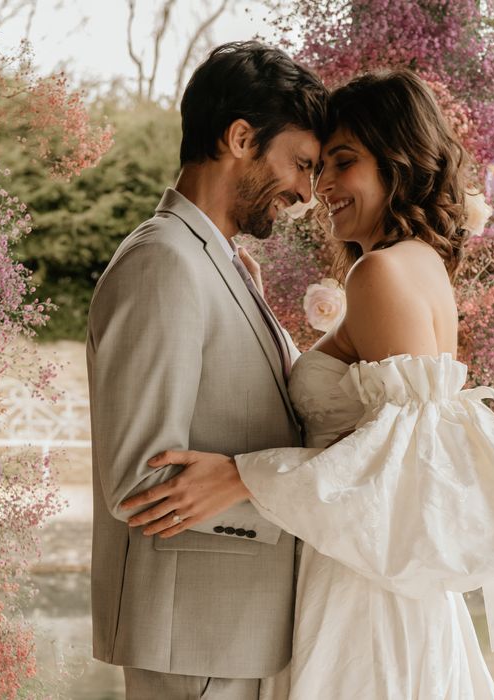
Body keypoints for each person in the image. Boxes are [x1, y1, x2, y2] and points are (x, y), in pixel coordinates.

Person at [123, 70, 494, 699]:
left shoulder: (380, 274)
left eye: (344, 163)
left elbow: (407, 464)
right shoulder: (417, 264)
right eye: (318, 168)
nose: (323, 189)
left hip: (362, 596)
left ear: (397, 163)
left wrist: (243, 476)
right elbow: (370, 420)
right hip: (381, 583)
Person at [86, 41, 327, 700]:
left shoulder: (221, 263)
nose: (307, 191)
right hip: (193, 637)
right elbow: (142, 479)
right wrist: (294, 498)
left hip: (234, 632)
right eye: (300, 164)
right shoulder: (164, 262)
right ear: (242, 138)